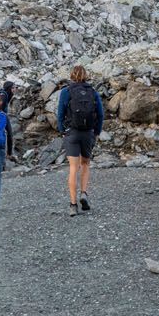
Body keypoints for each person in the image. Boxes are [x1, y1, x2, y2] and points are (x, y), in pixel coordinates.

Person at [56, 65, 103, 217]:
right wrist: (96, 132)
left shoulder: (66, 91)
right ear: (85, 75)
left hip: (72, 133)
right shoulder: (92, 92)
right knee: (85, 164)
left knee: (73, 168)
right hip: (88, 132)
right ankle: (83, 193)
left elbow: (60, 114)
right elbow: (101, 114)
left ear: (71, 75)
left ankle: (73, 204)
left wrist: (63, 130)